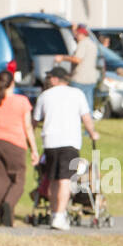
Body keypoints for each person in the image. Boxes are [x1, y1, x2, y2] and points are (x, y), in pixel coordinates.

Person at [33, 66, 99, 231]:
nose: (48, 81)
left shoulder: (44, 96)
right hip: (69, 141)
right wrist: (92, 133)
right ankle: (59, 215)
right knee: (64, 180)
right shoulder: (77, 94)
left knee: (53, 179)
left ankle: (56, 213)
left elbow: (34, 121)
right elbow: (86, 117)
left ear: (56, 79)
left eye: (50, 78)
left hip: (49, 141)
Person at [0, 70, 38, 227]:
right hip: (14, 143)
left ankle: (4, 216)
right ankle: (9, 203)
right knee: (18, 178)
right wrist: (34, 149)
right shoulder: (22, 102)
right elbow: (27, 127)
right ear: (13, 83)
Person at [61, 24, 100, 109]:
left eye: (76, 34)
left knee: (75, 102)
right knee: (88, 102)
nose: (75, 36)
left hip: (80, 79)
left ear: (81, 34)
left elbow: (77, 59)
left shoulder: (83, 43)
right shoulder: (92, 43)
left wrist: (62, 58)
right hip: (91, 78)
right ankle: (88, 120)